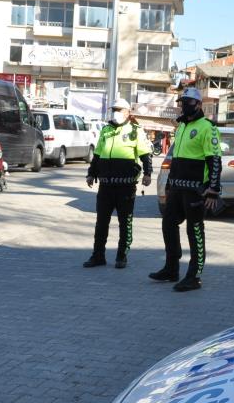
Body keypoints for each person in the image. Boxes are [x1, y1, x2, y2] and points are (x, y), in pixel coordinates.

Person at [150, 88, 222, 292]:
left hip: (196, 190)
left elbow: (214, 160)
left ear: (199, 105)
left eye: (189, 102)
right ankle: (171, 268)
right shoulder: (181, 126)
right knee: (168, 224)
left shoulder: (207, 127)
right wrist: (169, 183)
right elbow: (176, 159)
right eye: (183, 102)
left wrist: (213, 189)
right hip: (177, 187)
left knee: (195, 230)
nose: (184, 105)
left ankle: (194, 276)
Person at [84, 98, 153, 269]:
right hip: (106, 184)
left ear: (128, 112)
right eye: (114, 109)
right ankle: (98, 255)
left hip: (126, 185)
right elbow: (98, 154)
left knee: (125, 222)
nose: (116, 112)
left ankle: (122, 256)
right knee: (101, 223)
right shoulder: (106, 130)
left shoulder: (136, 130)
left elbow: (145, 154)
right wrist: (91, 174)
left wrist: (148, 173)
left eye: (119, 109)